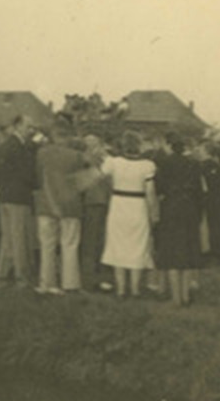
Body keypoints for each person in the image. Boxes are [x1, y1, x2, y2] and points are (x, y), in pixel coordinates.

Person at [100, 131, 159, 298]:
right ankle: (134, 289)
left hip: (118, 206)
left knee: (117, 245)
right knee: (137, 246)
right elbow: (150, 192)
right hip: (137, 207)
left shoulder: (113, 163)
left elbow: (99, 177)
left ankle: (120, 289)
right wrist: (153, 213)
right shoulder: (147, 165)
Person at [34, 124, 86, 294]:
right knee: (69, 244)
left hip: (46, 205)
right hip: (70, 205)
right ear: (67, 138)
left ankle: (46, 283)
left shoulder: (41, 154)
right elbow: (82, 180)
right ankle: (69, 284)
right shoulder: (76, 156)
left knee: (47, 245)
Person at [154, 132, 204, 306]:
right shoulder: (194, 165)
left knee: (172, 253)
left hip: (170, 209)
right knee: (188, 251)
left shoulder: (163, 164)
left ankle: (175, 298)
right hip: (189, 209)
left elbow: (158, 189)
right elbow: (200, 191)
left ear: (170, 146)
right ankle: (185, 296)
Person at [0, 116, 37, 288]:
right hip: (19, 197)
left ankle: (1, 277)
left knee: (7, 239)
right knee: (19, 239)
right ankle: (21, 278)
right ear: (17, 126)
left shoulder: (1, 147)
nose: (31, 130)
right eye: (28, 126)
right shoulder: (22, 149)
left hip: (4, 196)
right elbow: (29, 175)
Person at [80, 134, 112, 291]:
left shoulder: (85, 159)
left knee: (92, 242)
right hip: (100, 201)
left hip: (93, 202)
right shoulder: (104, 159)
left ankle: (90, 278)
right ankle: (96, 278)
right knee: (98, 241)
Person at [200, 141, 220, 264]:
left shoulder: (199, 167)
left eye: (201, 150)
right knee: (218, 227)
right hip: (219, 200)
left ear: (207, 152)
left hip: (204, 200)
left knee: (205, 226)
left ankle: (206, 252)